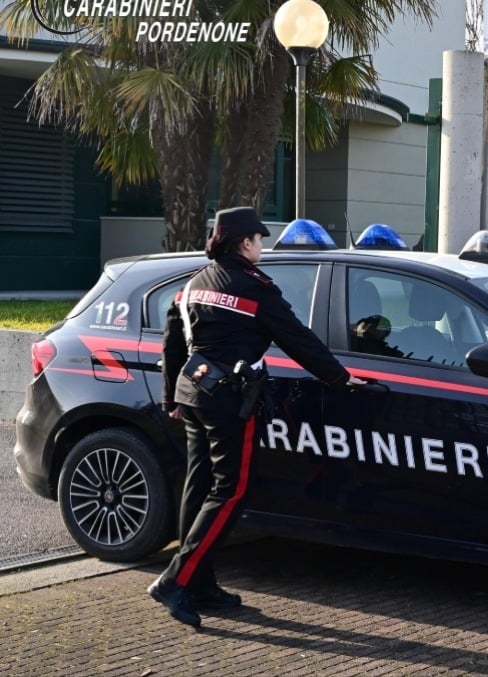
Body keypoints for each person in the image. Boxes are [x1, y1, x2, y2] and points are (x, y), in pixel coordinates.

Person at [150, 206, 366, 628]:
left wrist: (170, 396)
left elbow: (172, 341)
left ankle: (200, 585)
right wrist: (339, 377)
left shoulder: (194, 284)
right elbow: (297, 338)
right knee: (231, 490)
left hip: (193, 395)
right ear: (245, 242)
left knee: (200, 488)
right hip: (230, 401)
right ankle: (175, 581)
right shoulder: (255, 289)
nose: (262, 246)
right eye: (259, 239)